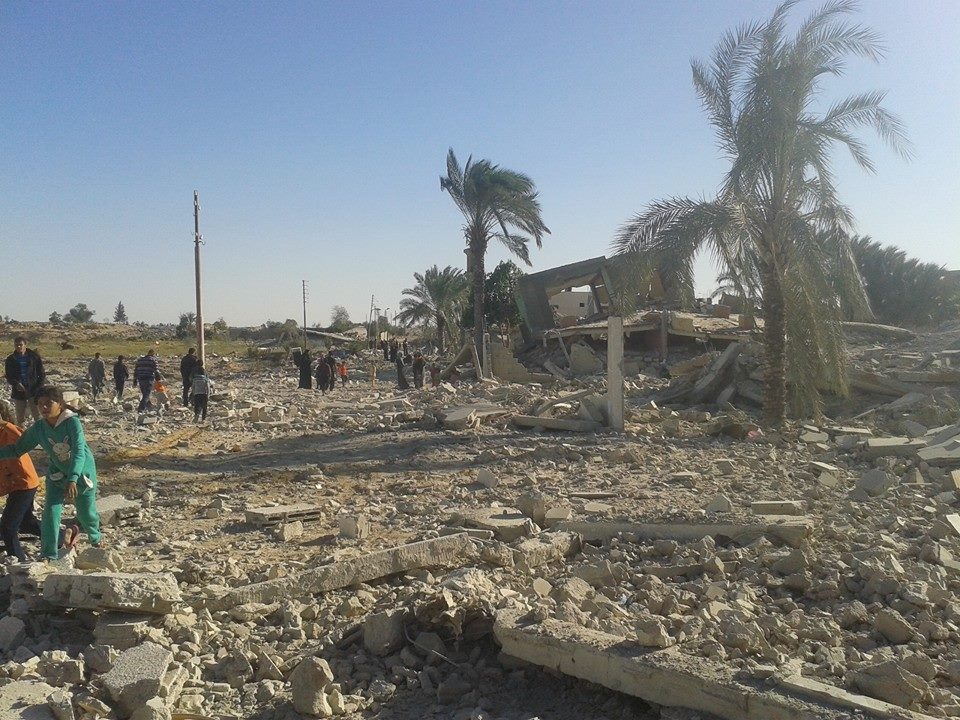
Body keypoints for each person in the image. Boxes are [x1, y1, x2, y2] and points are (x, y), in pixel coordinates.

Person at [0, 386, 102, 561]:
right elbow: (18, 449)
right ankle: (49, 554)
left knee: (86, 514)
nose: (44, 408)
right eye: (40, 404)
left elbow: (79, 452)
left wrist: (73, 479)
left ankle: (96, 540)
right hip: (57, 474)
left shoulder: (72, 423)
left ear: (60, 404)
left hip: (81, 473)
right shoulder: (40, 427)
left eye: (48, 403)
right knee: (50, 513)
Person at [0, 401, 43, 561]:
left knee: (8, 527)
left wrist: (4, 423)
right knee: (27, 523)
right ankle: (61, 537)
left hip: (24, 483)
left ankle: (18, 562)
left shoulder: (9, 432)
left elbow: (23, 438)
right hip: (14, 485)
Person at [4, 337, 46, 425]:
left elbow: (42, 374)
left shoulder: (34, 357)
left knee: (38, 416)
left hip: (33, 390)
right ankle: (21, 433)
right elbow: (8, 376)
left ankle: (41, 432)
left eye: (21, 345)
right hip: (19, 391)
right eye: (16, 345)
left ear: (25, 345)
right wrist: (16, 384)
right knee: (20, 418)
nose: (19, 347)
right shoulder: (10, 359)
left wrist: (39, 388)